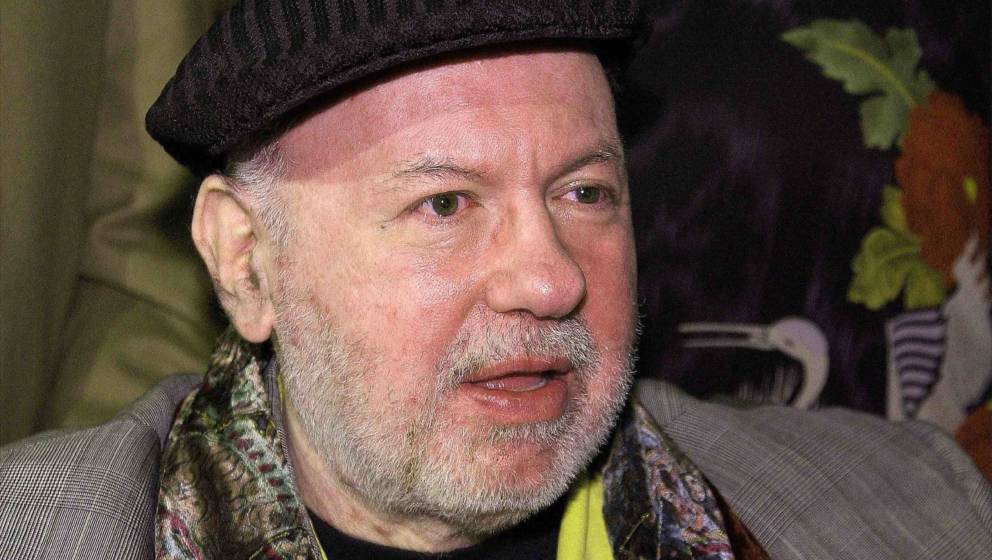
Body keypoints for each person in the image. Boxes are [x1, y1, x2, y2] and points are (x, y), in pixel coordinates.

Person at [1, 2, 989, 559]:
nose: (550, 279)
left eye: (584, 192)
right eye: (445, 203)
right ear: (244, 258)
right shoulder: (39, 530)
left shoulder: (921, 512)